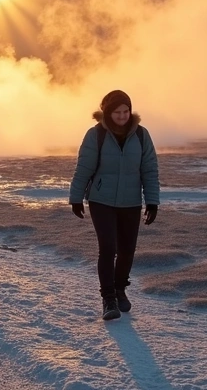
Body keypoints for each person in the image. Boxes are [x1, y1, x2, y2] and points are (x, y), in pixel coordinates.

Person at [68, 89, 160, 321]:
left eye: (126, 111)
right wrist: (76, 197)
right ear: (108, 112)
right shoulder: (96, 135)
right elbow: (84, 168)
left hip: (130, 201)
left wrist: (152, 201)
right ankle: (108, 298)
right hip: (102, 200)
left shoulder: (141, 135)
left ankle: (120, 289)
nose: (122, 116)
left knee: (127, 250)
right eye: (117, 112)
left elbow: (149, 170)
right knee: (109, 248)